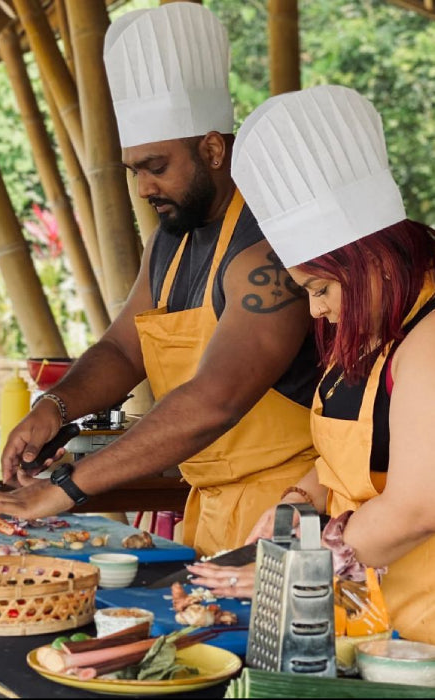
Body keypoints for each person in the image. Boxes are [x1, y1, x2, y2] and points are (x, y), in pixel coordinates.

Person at [0, 2, 319, 557]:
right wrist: (53, 409)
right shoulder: (170, 240)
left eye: (157, 167)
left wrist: (67, 488)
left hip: (291, 512)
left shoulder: (265, 245)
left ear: (213, 149)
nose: (145, 189)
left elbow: (214, 400)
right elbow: (123, 349)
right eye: (135, 172)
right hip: (211, 509)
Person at [191, 84, 435, 644]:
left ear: (371, 259)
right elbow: (347, 462)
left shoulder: (428, 338)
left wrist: (296, 565)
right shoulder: (372, 323)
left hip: (421, 631)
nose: (316, 310)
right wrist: (290, 512)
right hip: (363, 619)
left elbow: (419, 505)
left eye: (321, 287)